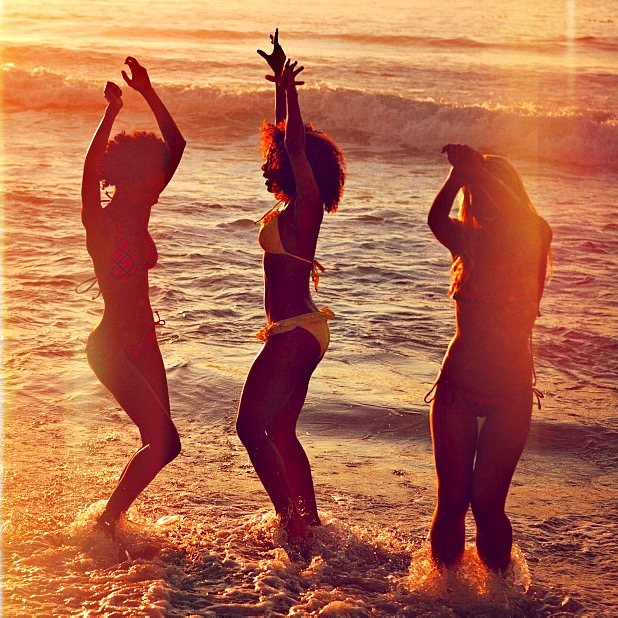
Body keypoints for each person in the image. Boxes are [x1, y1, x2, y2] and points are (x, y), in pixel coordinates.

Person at [236, 30, 345, 542]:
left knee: (249, 428)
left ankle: (292, 526)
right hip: (298, 329)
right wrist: (279, 88)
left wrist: (294, 93)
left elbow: (294, 142)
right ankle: (311, 522)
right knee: (279, 429)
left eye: (272, 160)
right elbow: (284, 136)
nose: (266, 164)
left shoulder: (305, 207)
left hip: (296, 331)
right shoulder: (289, 209)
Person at [425, 143, 552, 573]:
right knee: (453, 499)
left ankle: (500, 597)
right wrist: (458, 177)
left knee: (487, 502)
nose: (484, 205)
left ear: (509, 193)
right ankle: (443, 594)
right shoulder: (468, 242)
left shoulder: (536, 237)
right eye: (475, 197)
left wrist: (479, 172)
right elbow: (434, 220)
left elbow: (522, 219)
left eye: (490, 192)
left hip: (510, 392)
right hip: (457, 386)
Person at [81, 57, 186, 530]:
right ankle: (107, 521)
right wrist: (111, 114)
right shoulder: (99, 222)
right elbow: (88, 173)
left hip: (145, 341)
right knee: (163, 440)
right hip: (111, 349)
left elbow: (177, 144)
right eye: (149, 181)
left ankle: (110, 518)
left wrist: (147, 90)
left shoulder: (141, 211)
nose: (157, 187)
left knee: (166, 443)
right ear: (124, 179)